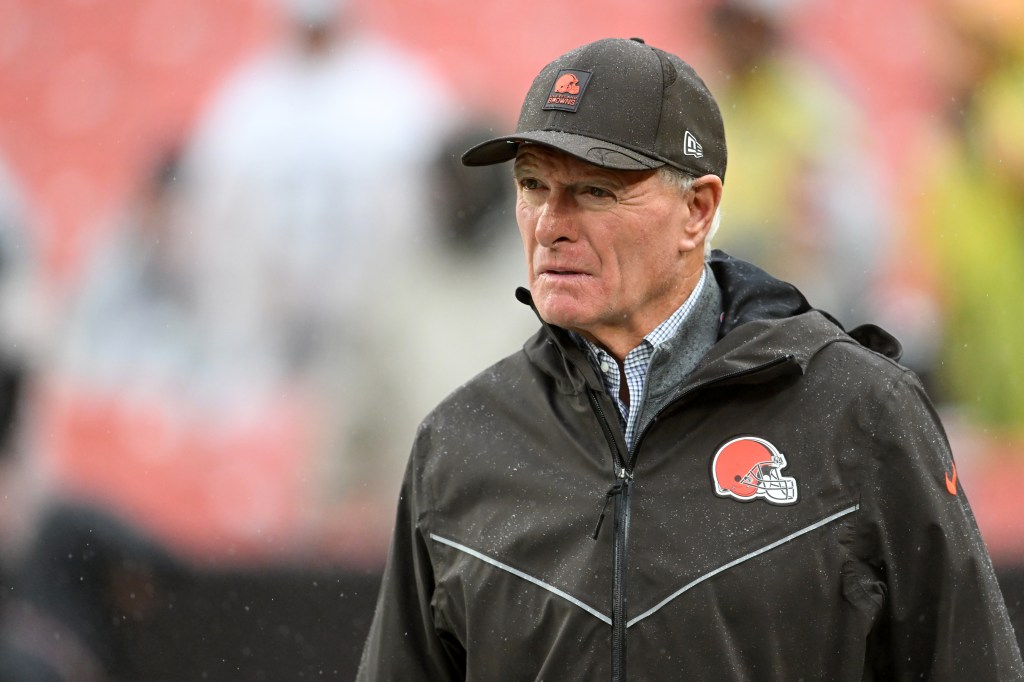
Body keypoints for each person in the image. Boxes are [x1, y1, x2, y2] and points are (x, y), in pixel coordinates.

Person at [356, 38, 1024, 680]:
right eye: (533, 185)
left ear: (697, 211)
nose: (550, 222)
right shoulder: (458, 442)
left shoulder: (860, 412)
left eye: (594, 191)